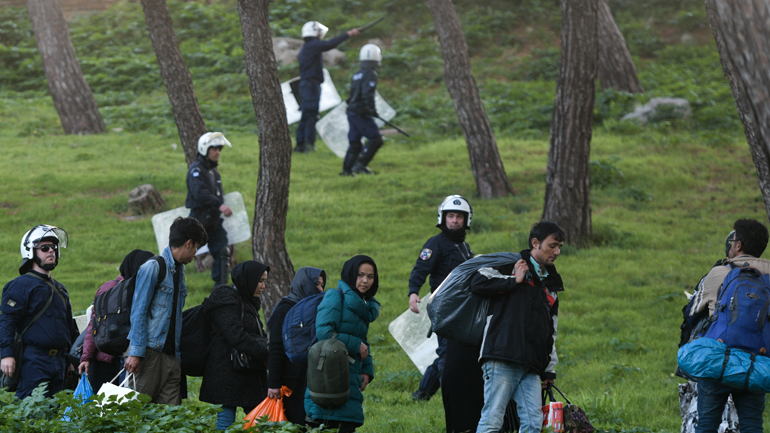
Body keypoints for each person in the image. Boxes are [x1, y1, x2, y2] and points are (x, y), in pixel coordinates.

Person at [472, 221, 566, 433]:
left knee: (533, 424)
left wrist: (549, 370)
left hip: (531, 365)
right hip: (501, 357)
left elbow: (550, 331)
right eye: (552, 245)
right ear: (535, 243)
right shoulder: (510, 265)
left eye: (560, 247)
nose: (557, 252)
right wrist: (513, 280)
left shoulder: (551, 286)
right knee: (492, 421)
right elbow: (477, 282)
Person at [688, 219, 770, 433]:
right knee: (753, 426)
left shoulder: (720, 271)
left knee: (706, 425)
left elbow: (693, 311)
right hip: (756, 364)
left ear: (738, 245)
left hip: (718, 359)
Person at [125, 216, 208, 405]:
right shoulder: (153, 267)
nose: (195, 254)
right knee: (138, 410)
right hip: (149, 354)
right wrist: (135, 352)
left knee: (172, 415)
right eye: (196, 247)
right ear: (188, 243)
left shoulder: (179, 272)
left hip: (172, 356)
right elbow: (138, 311)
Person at [408, 195, 474, 405]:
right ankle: (452, 400)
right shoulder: (435, 244)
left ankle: (422, 394)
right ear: (443, 218)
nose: (455, 220)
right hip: (444, 308)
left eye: (459, 217)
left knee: (454, 353)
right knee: (448, 354)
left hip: (463, 309)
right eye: (451, 216)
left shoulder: (465, 247)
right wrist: (413, 292)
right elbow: (420, 269)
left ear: (466, 219)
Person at [0, 225, 79, 399]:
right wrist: (6, 355)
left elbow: (69, 328)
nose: (51, 251)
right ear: (30, 251)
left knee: (57, 412)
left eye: (54, 247)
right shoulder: (19, 285)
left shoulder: (61, 289)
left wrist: (72, 360)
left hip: (60, 363)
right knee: (33, 410)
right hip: (34, 361)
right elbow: (7, 321)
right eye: (44, 248)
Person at [305, 255, 381, 432]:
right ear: (351, 274)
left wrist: (367, 370)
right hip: (328, 377)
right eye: (360, 275)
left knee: (348, 424)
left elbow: (362, 340)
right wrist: (355, 344)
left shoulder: (363, 304)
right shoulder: (335, 296)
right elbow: (324, 332)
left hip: (350, 377)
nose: (365, 281)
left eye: (370, 277)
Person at [200, 261, 271, 430]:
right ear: (248, 278)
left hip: (248, 370)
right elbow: (235, 334)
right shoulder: (225, 297)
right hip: (225, 370)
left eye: (264, 281)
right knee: (226, 422)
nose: (263, 286)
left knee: (257, 423)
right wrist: (264, 355)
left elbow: (256, 333)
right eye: (260, 281)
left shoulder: (249, 300)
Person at [78, 249, 155, 393]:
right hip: (105, 362)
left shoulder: (139, 290)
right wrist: (86, 357)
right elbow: (94, 325)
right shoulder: (111, 288)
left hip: (123, 359)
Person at [267, 266, 326, 425]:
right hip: (291, 380)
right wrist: (273, 383)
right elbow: (276, 348)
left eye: (322, 285)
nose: (321, 290)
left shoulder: (318, 309)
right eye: (317, 284)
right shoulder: (285, 308)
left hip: (311, 378)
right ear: (304, 284)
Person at [295, 21, 361, 154]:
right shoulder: (312, 45)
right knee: (311, 115)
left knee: (306, 115)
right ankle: (307, 145)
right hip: (310, 85)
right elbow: (330, 44)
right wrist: (348, 34)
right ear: (314, 32)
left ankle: (300, 145)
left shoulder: (308, 46)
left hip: (307, 84)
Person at [186, 132, 233, 287]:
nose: (218, 152)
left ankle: (220, 292)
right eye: (214, 149)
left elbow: (218, 194)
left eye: (219, 149)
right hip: (198, 219)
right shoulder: (196, 170)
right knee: (182, 254)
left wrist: (220, 206)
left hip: (213, 220)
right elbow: (200, 193)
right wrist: (220, 205)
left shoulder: (214, 172)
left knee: (223, 251)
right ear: (205, 149)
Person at [341, 44, 385, 176]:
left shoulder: (357, 74)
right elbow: (367, 94)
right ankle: (360, 165)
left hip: (352, 111)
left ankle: (347, 170)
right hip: (361, 113)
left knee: (355, 142)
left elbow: (353, 95)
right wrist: (371, 109)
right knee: (376, 139)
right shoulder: (371, 74)